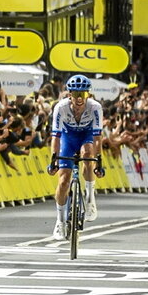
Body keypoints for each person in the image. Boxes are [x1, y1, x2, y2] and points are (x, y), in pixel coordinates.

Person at [47, 75, 105, 240]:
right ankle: (60, 221)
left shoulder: (95, 108)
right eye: (76, 93)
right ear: (69, 94)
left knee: (87, 153)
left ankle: (90, 198)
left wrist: (98, 161)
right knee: (64, 181)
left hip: (86, 136)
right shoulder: (61, 107)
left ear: (88, 94)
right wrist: (54, 160)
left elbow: (98, 138)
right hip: (68, 137)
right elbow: (56, 137)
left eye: (84, 94)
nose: (80, 98)